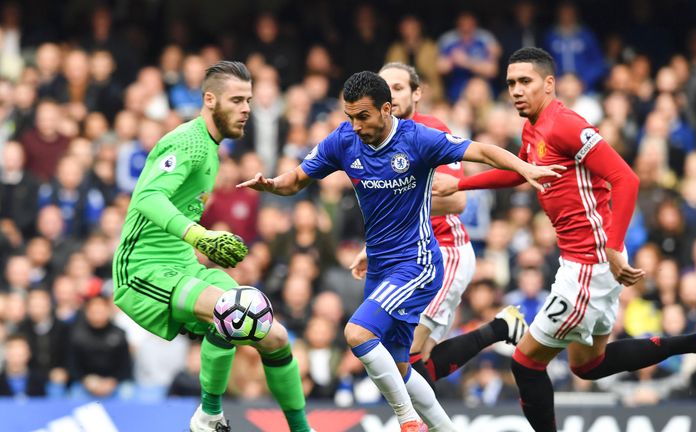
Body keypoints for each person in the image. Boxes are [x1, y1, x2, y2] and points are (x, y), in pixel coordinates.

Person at [432, 47, 696, 432]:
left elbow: (626, 179)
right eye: (511, 82)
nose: (516, 90)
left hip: (591, 261)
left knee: (526, 363)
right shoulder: (533, 126)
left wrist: (612, 248)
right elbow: (522, 171)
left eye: (525, 81)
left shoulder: (564, 124)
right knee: (588, 364)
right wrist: (462, 183)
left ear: (549, 84)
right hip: (584, 259)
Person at [238, 71, 563, 432]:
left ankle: (407, 421)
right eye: (350, 117)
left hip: (417, 263)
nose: (356, 125)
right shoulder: (344, 140)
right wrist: (272, 185)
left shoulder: (417, 139)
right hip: (379, 266)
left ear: (387, 109)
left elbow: (481, 151)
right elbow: (297, 179)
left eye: (364, 116)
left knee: (358, 334)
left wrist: (525, 166)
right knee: (400, 367)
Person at [111, 61, 311, 432]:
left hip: (183, 266)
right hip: (142, 269)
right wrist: (199, 236)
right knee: (230, 309)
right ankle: (209, 413)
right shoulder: (186, 141)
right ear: (209, 99)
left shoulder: (212, 148)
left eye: (249, 100)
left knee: (274, 335)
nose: (246, 108)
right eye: (237, 100)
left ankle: (301, 429)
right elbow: (147, 198)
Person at [367, 62, 527, 393]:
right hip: (411, 259)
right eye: (385, 89)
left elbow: (456, 202)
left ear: (417, 93)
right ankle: (500, 328)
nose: (391, 96)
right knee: (414, 363)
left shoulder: (431, 132)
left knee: (400, 358)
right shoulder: (375, 139)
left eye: (398, 88)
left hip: (444, 252)